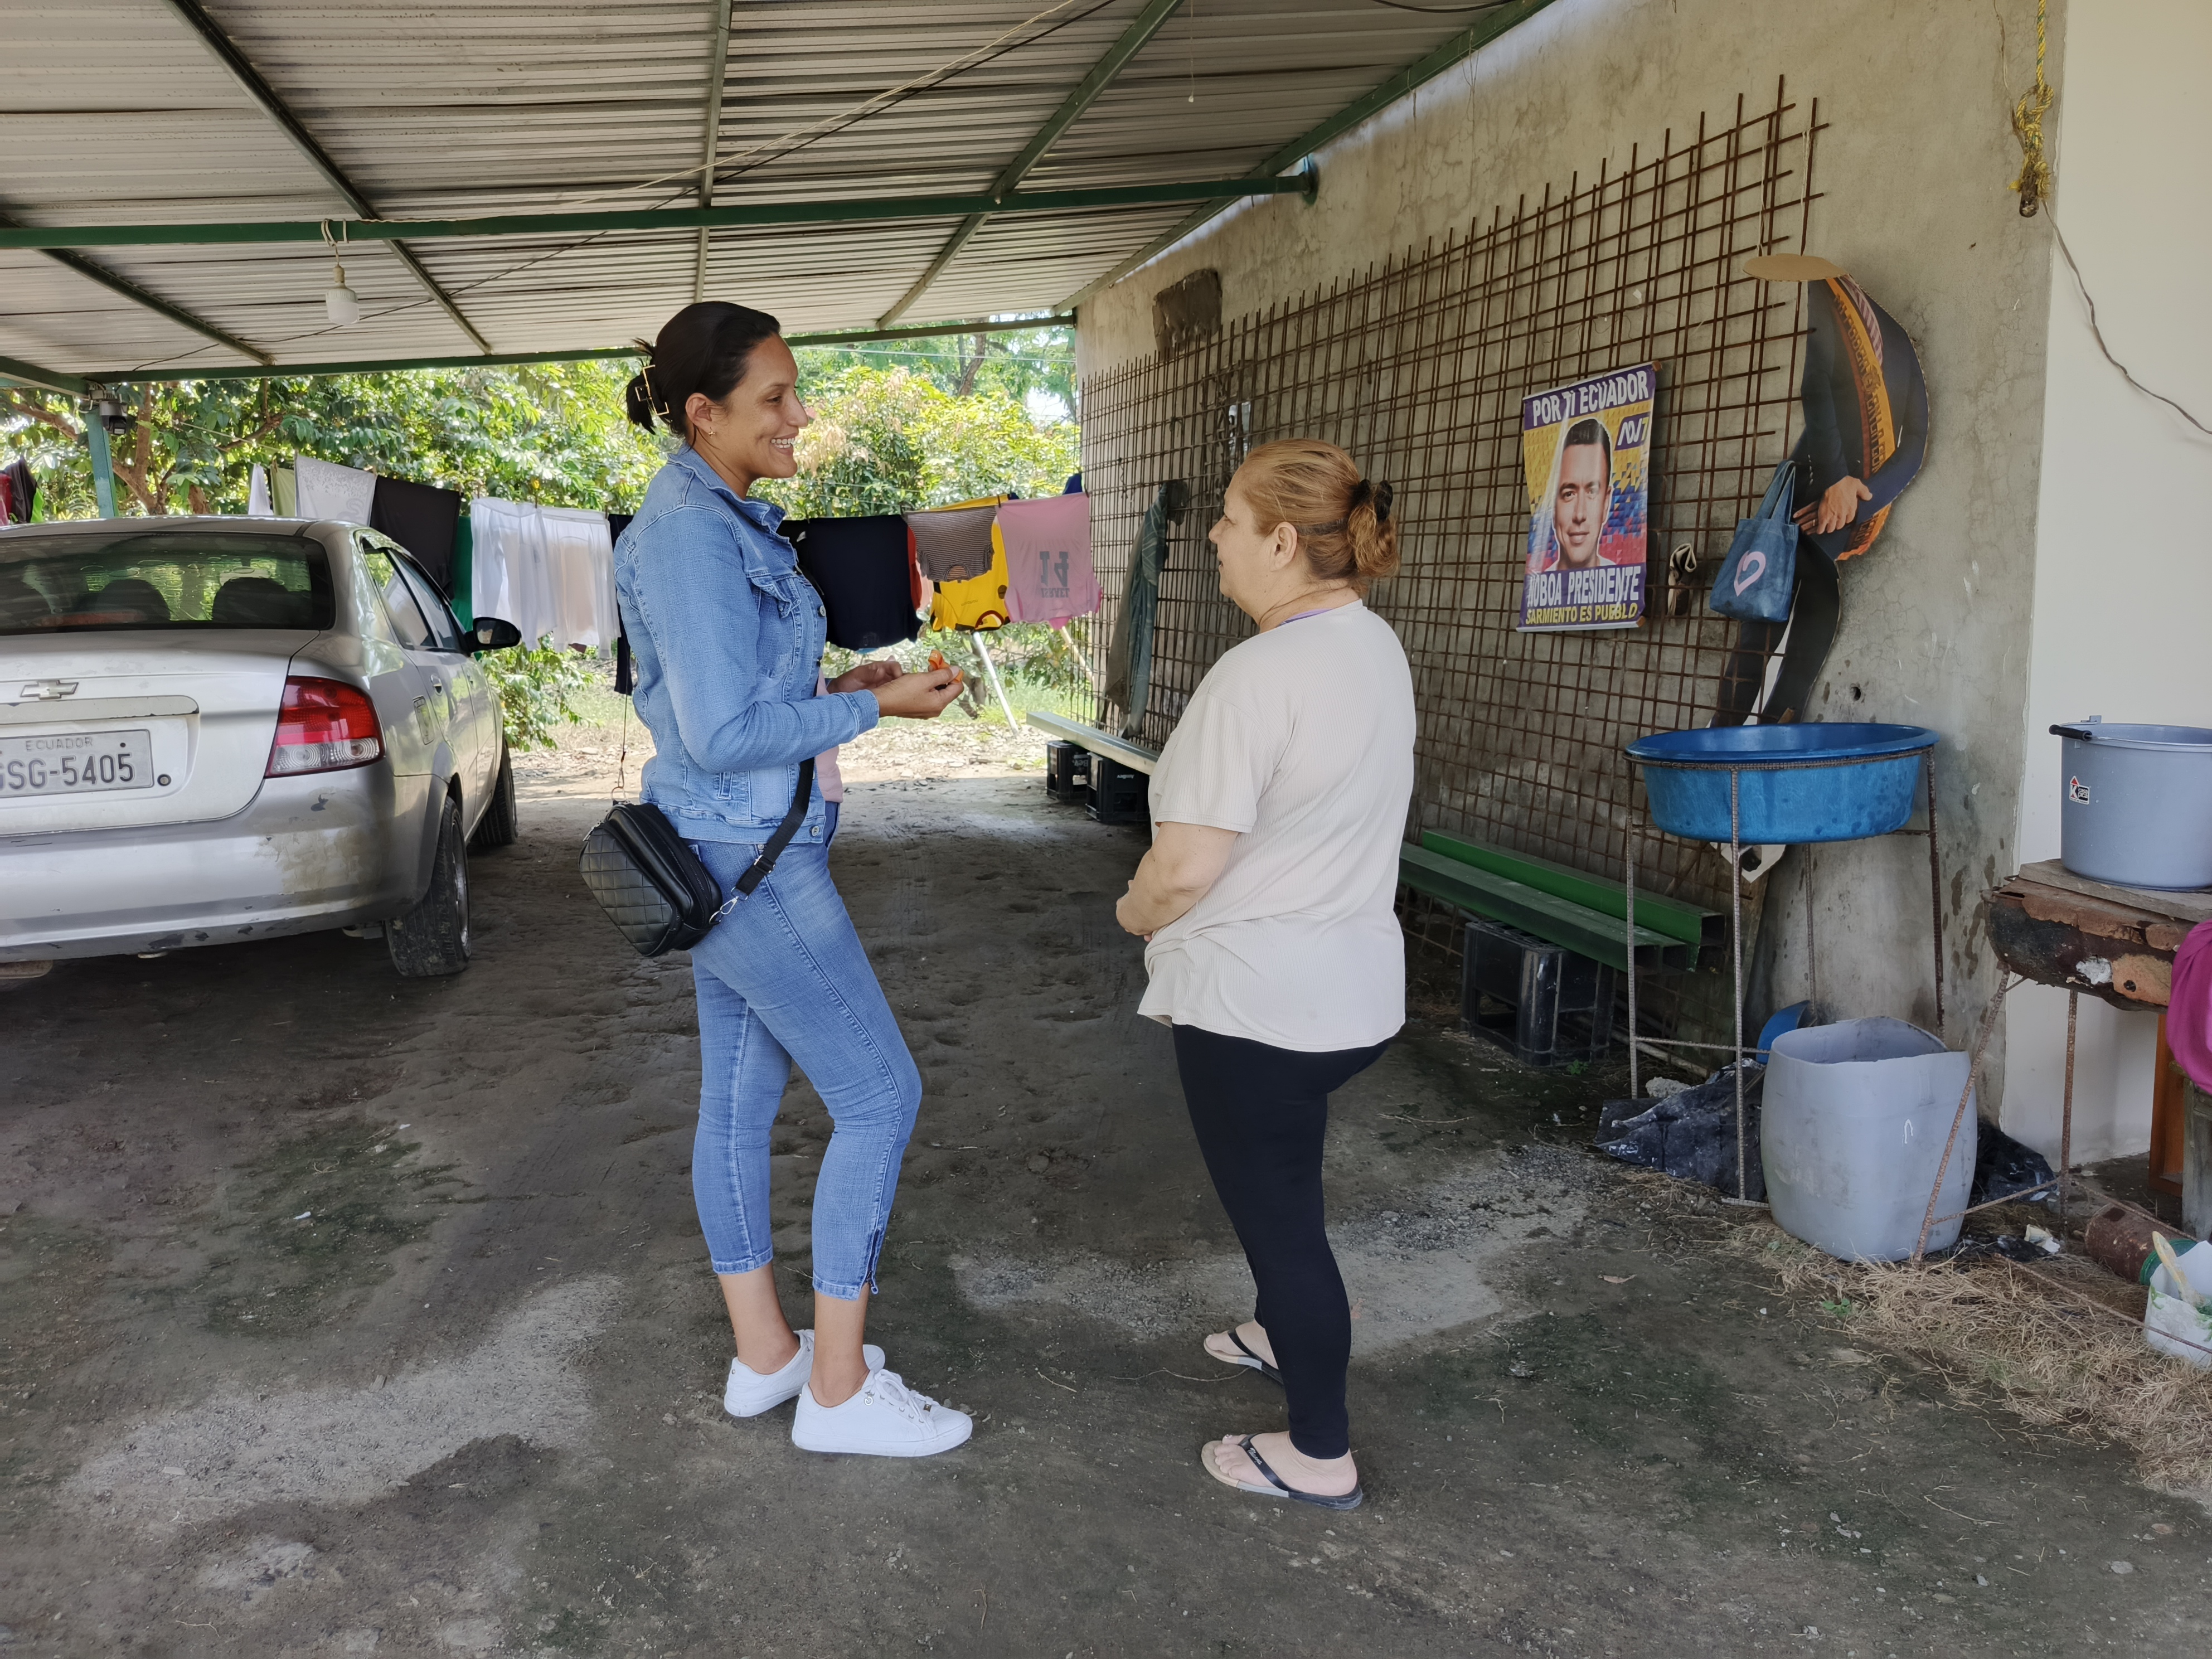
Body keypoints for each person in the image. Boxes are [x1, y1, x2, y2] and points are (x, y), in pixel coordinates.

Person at [615, 301, 973, 1458]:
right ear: (702, 413)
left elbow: (742, 697)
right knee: (880, 1096)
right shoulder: (690, 534)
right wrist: (873, 711)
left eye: (794, 390)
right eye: (774, 397)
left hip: (734, 847)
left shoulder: (724, 517)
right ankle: (837, 1389)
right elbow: (721, 733)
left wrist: (842, 687)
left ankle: (768, 1356)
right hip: (748, 859)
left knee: (738, 1100)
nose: (800, 414)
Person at [1115, 438, 1414, 1510]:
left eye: (1231, 520)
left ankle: (1317, 1454)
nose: (1213, 536)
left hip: (1257, 1008)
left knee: (1283, 1226)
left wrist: (1131, 911)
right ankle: (1277, 1330)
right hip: (1346, 996)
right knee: (1284, 1186)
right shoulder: (1371, 645)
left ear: (1283, 542)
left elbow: (1184, 868)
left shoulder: (1255, 676)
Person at [1542, 418, 1613, 571]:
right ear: (1553, 507)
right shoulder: (1537, 584)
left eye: (1592, 492)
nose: (1579, 515)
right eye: (1569, 494)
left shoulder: (1623, 583)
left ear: (1606, 503)